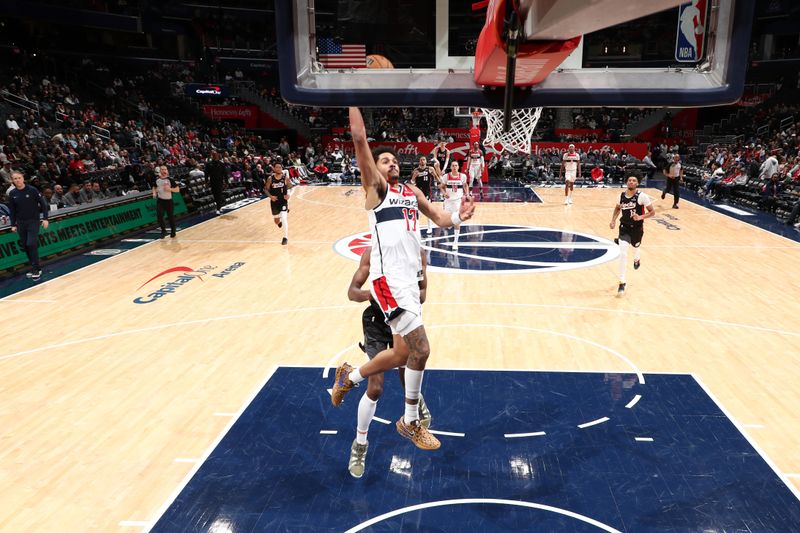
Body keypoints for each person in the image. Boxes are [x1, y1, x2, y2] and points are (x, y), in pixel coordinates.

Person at [330, 107, 476, 451]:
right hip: (387, 280)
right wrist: (353, 96)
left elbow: (440, 217)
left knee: (400, 355)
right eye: (384, 160)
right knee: (421, 349)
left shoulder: (412, 192)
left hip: (408, 281)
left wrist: (459, 217)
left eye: (394, 160)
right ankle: (410, 421)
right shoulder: (376, 191)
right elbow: (360, 139)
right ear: (375, 170)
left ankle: (348, 376)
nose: (391, 163)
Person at [346, 246, 431, 478]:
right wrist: (372, 294)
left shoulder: (418, 253)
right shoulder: (371, 254)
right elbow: (352, 292)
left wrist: (402, 289)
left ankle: (416, 403)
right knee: (375, 388)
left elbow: (423, 295)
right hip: (377, 321)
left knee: (407, 374)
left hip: (404, 316)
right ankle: (359, 445)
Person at [609, 172, 655, 295]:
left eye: (634, 180)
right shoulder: (621, 196)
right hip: (624, 227)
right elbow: (618, 208)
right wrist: (613, 220)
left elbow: (652, 212)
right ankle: (622, 281)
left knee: (636, 247)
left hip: (637, 228)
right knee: (623, 253)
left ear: (637, 183)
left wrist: (640, 217)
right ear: (626, 182)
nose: (631, 182)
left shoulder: (642, 196)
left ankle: (637, 258)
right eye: (629, 180)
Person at [8, 171, 49, 280]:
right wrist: (13, 224)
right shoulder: (12, 193)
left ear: (23, 178)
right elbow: (12, 211)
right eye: (15, 178)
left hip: (33, 221)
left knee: (31, 243)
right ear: (12, 181)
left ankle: (36, 269)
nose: (17, 180)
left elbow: (43, 204)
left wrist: (45, 218)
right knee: (26, 246)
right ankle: (35, 267)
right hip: (21, 223)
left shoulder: (32, 190)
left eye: (19, 178)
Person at [440, 161, 469, 250]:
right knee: (447, 221)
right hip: (448, 201)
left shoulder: (463, 176)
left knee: (457, 221)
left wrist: (467, 193)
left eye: (456, 165)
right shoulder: (446, 176)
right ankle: (449, 223)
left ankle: (455, 242)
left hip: (457, 201)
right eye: (453, 165)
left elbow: (465, 185)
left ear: (458, 167)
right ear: (451, 167)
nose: (454, 167)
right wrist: (444, 193)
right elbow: (441, 187)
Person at [265, 162, 292, 245]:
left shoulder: (285, 178)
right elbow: (265, 189)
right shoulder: (270, 178)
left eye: (280, 167)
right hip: (274, 202)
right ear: (274, 168)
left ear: (281, 168)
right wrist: (270, 196)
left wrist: (288, 194)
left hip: (283, 201)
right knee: (276, 221)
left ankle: (285, 237)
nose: (278, 169)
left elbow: (290, 186)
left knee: (284, 218)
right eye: (276, 167)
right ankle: (279, 222)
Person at [410, 156, 436, 235]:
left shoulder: (430, 169)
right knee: (417, 211)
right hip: (418, 193)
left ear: (426, 161)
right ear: (419, 161)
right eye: (421, 160)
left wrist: (437, 182)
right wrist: (414, 177)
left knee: (428, 210)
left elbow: (435, 177)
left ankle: (429, 227)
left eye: (423, 159)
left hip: (427, 192)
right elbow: (412, 182)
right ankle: (416, 227)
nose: (422, 161)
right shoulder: (415, 170)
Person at [152, 166, 179, 238]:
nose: (164, 171)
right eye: (162, 169)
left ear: (167, 171)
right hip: (160, 200)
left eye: (165, 169)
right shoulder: (157, 180)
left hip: (169, 201)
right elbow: (154, 187)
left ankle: (173, 231)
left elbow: (177, 189)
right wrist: (154, 193)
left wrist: (170, 189)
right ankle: (163, 231)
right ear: (160, 171)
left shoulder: (170, 180)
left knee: (170, 217)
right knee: (159, 215)